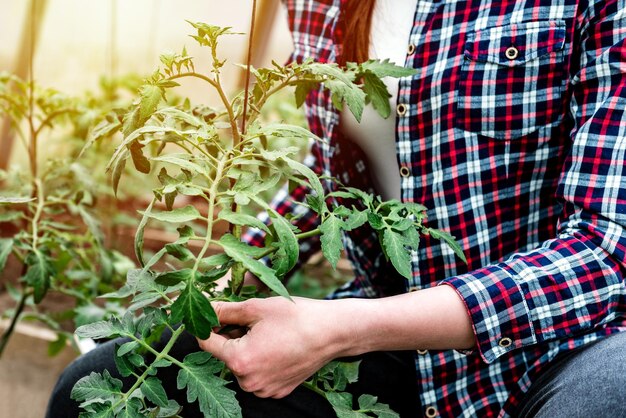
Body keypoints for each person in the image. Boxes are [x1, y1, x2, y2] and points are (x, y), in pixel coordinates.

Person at [48, 0, 626, 417]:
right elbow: (330, 180)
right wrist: (226, 271)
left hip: (572, 341)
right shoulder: (321, 5)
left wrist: (339, 330)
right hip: (406, 349)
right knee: (100, 382)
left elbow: (609, 248)